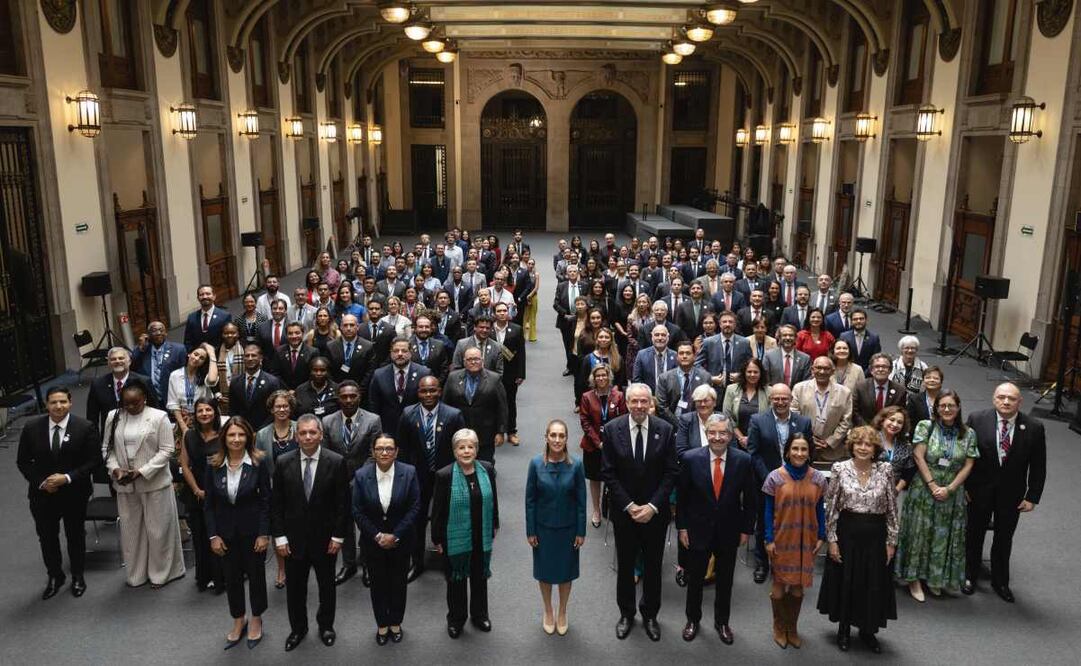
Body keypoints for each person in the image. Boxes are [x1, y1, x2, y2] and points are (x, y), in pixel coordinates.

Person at [601, 383, 679, 642]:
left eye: (644, 402)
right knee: (625, 566)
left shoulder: (665, 430)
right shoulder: (613, 430)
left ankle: (650, 614)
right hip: (625, 513)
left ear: (650, 403)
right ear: (626, 402)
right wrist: (630, 505)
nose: (639, 406)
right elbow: (608, 473)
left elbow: (670, 473)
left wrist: (653, 506)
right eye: (634, 401)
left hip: (654, 514)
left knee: (653, 566)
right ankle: (626, 613)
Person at [272, 414, 350, 651]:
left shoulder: (336, 462)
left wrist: (338, 537)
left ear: (321, 435)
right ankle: (298, 629)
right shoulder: (283, 462)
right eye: (303, 433)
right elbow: (277, 504)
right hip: (293, 541)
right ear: (296, 436)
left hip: (326, 540)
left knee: (327, 587)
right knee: (295, 589)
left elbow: (343, 504)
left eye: (312, 432)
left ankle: (326, 626)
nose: (307, 437)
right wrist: (280, 537)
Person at [818, 426, 899, 653]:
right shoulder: (840, 468)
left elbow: (892, 507)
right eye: (859, 443)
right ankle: (843, 629)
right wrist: (831, 540)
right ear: (852, 446)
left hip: (876, 535)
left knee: (873, 582)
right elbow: (831, 507)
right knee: (847, 581)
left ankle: (868, 630)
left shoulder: (886, 470)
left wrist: (891, 541)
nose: (863, 448)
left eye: (868, 444)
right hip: (847, 534)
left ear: (875, 448)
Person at [676, 414, 756, 644]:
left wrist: (746, 530)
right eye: (713, 432)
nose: (718, 437)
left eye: (723, 433)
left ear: (730, 435)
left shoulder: (743, 461)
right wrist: (682, 528)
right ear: (706, 434)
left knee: (725, 580)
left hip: (729, 531)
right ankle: (692, 620)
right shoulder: (691, 459)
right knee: (695, 579)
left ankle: (722, 622)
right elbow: (682, 499)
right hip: (697, 529)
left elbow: (750, 499)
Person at [963, 382, 1047, 602]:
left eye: (1012, 398)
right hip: (978, 491)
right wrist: (963, 487)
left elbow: (1039, 466)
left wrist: (1032, 497)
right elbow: (964, 458)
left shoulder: (1034, 427)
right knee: (974, 534)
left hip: (1012, 495)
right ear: (994, 399)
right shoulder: (976, 420)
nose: (1006, 401)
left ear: (1020, 402)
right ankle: (968, 575)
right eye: (1001, 397)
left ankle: (1000, 581)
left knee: (1004, 538)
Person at [16, 386, 102, 600]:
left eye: (63, 401)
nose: (58, 406)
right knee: (47, 537)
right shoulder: (31, 427)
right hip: (43, 495)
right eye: (53, 402)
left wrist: (67, 478)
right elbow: (23, 462)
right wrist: (42, 483)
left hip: (74, 493)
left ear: (70, 403)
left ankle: (77, 576)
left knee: (75, 536)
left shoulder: (85, 427)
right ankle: (55, 575)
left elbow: (94, 461)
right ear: (46, 404)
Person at [894, 389, 978, 601]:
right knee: (919, 533)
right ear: (936, 408)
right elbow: (919, 456)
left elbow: (968, 464)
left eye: (951, 405)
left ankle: (935, 578)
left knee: (942, 535)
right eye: (943, 406)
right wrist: (932, 485)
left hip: (952, 491)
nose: (947, 409)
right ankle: (914, 580)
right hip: (924, 489)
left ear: (958, 408)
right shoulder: (926, 426)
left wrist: (949, 488)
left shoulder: (968, 433)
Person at [102, 380, 185, 588]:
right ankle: (136, 574)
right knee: (131, 532)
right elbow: (107, 448)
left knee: (158, 531)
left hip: (154, 482)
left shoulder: (159, 417)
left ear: (144, 399)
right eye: (126, 403)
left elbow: (167, 450)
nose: (130, 407)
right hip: (125, 484)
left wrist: (142, 471)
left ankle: (162, 574)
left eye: (135, 403)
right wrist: (115, 469)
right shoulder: (113, 416)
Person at [204, 416, 271, 650]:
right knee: (231, 579)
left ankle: (256, 618)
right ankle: (238, 618)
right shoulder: (213, 464)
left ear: (249, 437)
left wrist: (264, 533)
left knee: (256, 577)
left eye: (241, 434)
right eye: (231, 434)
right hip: (225, 535)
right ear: (224, 437)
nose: (236, 439)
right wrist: (213, 535)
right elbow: (209, 505)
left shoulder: (259, 462)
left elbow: (266, 502)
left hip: (253, 534)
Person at [352, 435, 421, 645]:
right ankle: (382, 624)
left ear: (396, 451)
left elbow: (415, 507)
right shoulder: (362, 475)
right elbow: (357, 510)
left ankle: (395, 623)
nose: (384, 453)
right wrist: (378, 535)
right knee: (378, 584)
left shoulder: (409, 472)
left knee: (398, 583)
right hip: (373, 542)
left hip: (401, 541)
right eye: (380, 449)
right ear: (372, 452)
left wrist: (396, 534)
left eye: (389, 448)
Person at [431, 429, 500, 638]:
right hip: (455, 539)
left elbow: (493, 499)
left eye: (471, 447)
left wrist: (495, 522)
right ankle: (456, 619)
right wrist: (437, 538)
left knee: (480, 577)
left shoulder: (487, 469)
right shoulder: (444, 475)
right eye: (462, 447)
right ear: (454, 451)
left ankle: (479, 615)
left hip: (481, 534)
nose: (467, 451)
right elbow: (438, 510)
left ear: (477, 449)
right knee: (456, 580)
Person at [396, 376, 467, 580]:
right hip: (416, 477)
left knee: (446, 519)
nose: (428, 395)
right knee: (416, 521)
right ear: (418, 393)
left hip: (446, 476)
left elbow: (461, 448)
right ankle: (416, 562)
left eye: (432, 390)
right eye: (424, 391)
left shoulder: (454, 415)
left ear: (440, 391)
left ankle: (448, 562)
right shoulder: (408, 414)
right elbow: (402, 449)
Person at [762, 433, 827, 649]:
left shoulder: (818, 478)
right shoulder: (775, 477)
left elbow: (820, 508)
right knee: (780, 584)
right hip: (782, 538)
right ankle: (778, 626)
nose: (799, 453)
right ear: (788, 451)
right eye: (795, 449)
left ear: (809, 453)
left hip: (807, 539)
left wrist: (821, 535)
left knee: (799, 587)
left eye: (804, 449)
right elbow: (768, 510)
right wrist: (769, 538)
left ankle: (792, 627)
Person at [746, 384, 814, 584]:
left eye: (785, 398)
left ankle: (790, 562)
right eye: (776, 398)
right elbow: (753, 452)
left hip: (796, 482)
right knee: (764, 522)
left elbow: (808, 453)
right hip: (766, 481)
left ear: (791, 399)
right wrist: (770, 479)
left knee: (793, 522)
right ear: (770, 399)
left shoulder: (803, 422)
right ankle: (761, 564)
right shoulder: (758, 420)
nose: (781, 402)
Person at [525, 420, 587, 636]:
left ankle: (562, 611)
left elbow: (581, 501)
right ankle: (548, 610)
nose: (557, 440)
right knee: (544, 572)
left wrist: (581, 531)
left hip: (568, 529)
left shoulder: (576, 465)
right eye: (553, 435)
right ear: (546, 437)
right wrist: (530, 530)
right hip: (543, 529)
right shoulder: (535, 464)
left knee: (565, 572)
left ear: (567, 439)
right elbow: (530, 500)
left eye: (561, 436)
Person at [322, 381, 383, 585]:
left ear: (359, 396)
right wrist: (339, 480)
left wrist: (356, 479)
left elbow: (374, 454)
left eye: (352, 396)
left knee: (366, 524)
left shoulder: (373, 420)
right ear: (338, 398)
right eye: (344, 397)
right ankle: (348, 564)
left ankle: (367, 564)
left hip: (365, 481)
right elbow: (326, 455)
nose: (348, 400)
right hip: (337, 483)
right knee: (344, 524)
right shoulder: (328, 422)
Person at [178, 398, 226, 593]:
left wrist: (212, 491)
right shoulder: (189, 435)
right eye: (200, 411)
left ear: (215, 412)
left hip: (220, 493)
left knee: (219, 534)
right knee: (199, 535)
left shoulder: (224, 435)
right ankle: (204, 576)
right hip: (195, 493)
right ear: (195, 415)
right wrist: (196, 489)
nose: (204, 413)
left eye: (208, 410)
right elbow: (184, 465)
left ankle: (221, 577)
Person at [578, 365, 627, 527]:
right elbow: (585, 422)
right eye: (597, 376)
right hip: (593, 445)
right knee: (595, 478)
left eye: (603, 375)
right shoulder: (587, 397)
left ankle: (612, 508)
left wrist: (611, 442)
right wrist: (598, 443)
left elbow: (623, 420)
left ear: (609, 377)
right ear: (593, 378)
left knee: (614, 477)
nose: (601, 378)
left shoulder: (619, 395)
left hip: (614, 445)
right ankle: (596, 510)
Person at [443, 348, 508, 462]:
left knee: (485, 465)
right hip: (459, 430)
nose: (473, 362)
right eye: (469, 359)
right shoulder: (453, 377)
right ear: (464, 362)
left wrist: (501, 431)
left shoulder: (494, 379)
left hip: (485, 432)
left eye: (476, 359)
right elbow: (445, 404)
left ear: (482, 360)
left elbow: (502, 407)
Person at [791, 356, 853, 467]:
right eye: (818, 368)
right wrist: (809, 437)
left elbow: (846, 420)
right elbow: (794, 416)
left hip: (833, 451)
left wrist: (830, 441)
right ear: (812, 370)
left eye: (826, 368)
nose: (822, 371)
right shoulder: (799, 389)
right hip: (805, 448)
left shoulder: (844, 392)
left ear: (832, 371)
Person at [368, 337, 433, 433]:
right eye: (396, 351)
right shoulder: (379, 375)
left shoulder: (423, 373)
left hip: (416, 428)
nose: (400, 354)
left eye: (404, 351)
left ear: (410, 353)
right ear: (390, 353)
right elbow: (374, 405)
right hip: (388, 429)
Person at [85, 346, 154, 433]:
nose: (117, 361)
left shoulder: (143, 381)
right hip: (111, 434)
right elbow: (92, 417)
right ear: (109, 363)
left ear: (129, 362)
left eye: (121, 358)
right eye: (113, 359)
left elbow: (154, 408)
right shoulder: (98, 384)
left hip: (140, 431)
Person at [492, 302, 526, 444]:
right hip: (491, 373)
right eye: (499, 311)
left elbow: (521, 353)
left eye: (504, 310)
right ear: (494, 313)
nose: (502, 313)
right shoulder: (488, 329)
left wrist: (521, 374)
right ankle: (497, 432)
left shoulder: (517, 329)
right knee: (493, 402)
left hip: (510, 373)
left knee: (510, 402)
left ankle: (511, 432)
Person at [166, 344, 219, 435]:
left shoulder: (204, 375)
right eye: (196, 354)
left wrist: (212, 354)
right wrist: (184, 427)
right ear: (189, 354)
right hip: (184, 420)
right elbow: (174, 404)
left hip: (204, 418)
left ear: (204, 362)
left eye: (202, 358)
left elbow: (212, 380)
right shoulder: (175, 375)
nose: (197, 358)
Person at [132, 321, 187, 408]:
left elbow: (185, 373)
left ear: (166, 333)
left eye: (161, 330)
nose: (158, 333)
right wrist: (141, 348)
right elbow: (132, 368)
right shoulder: (141, 351)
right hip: (150, 397)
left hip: (171, 396)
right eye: (154, 330)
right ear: (148, 334)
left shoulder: (178, 349)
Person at [227, 344, 283, 428]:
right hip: (241, 429)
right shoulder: (235, 382)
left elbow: (274, 410)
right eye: (247, 356)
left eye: (253, 355)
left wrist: (261, 431)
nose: (250, 358)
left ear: (260, 358)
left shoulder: (272, 382)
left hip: (264, 430)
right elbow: (232, 410)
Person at [656, 341, 712, 426]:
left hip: (696, 424)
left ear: (694, 356)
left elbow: (707, 405)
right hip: (671, 424)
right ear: (677, 357)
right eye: (681, 353)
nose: (684, 356)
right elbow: (662, 407)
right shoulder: (664, 378)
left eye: (688, 353)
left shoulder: (705, 377)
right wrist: (679, 424)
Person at [722, 357, 770, 450]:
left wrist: (751, 439)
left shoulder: (769, 391)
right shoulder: (731, 389)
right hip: (735, 442)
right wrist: (741, 438)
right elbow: (727, 416)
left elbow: (769, 418)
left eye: (756, 372)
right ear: (744, 372)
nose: (752, 375)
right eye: (749, 371)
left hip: (761, 441)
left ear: (761, 373)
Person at [696, 311, 752, 390]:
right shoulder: (708, 342)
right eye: (724, 322)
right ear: (719, 324)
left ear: (735, 324)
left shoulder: (744, 343)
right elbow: (697, 365)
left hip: (737, 388)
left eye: (730, 322)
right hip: (714, 388)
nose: (727, 324)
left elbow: (751, 364)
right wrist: (710, 378)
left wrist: (741, 375)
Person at [852, 353, 907, 426]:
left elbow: (900, 414)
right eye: (877, 366)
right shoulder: (860, 387)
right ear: (871, 370)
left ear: (890, 370)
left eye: (884, 367)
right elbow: (855, 412)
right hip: (864, 431)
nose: (880, 369)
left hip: (889, 431)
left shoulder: (900, 391)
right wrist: (868, 430)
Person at [873, 406, 916, 491]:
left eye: (900, 422)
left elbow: (908, 471)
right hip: (870, 488)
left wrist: (897, 489)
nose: (895, 424)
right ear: (882, 420)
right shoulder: (871, 439)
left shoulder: (906, 446)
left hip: (894, 491)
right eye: (892, 420)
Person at [632, 324, 677, 394]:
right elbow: (637, 380)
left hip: (670, 399)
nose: (660, 338)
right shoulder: (641, 355)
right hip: (648, 398)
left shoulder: (675, 356)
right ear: (652, 337)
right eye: (657, 335)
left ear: (668, 338)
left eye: (663, 335)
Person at [184, 284, 232, 350]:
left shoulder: (224, 316)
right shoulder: (192, 317)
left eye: (208, 294)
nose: (205, 297)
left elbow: (228, 339)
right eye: (201, 294)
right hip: (198, 357)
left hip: (218, 356)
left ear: (214, 296)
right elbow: (187, 341)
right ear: (198, 298)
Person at [270, 322, 316, 390]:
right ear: (286, 335)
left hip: (305, 392)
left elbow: (313, 376)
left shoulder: (313, 352)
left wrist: (298, 390)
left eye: (297, 333)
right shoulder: (279, 351)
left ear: (303, 334)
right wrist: (288, 390)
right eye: (290, 333)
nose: (294, 336)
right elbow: (275, 374)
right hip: (283, 392)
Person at [839, 309, 881, 375]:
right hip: (846, 374)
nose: (858, 321)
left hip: (867, 375)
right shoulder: (844, 336)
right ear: (851, 321)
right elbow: (841, 356)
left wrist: (864, 374)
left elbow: (876, 359)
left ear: (866, 320)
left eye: (861, 319)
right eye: (855, 319)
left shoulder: (874, 338)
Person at [522, 257, 541, 342]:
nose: (530, 265)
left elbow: (536, 287)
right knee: (524, 317)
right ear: (527, 264)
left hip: (533, 296)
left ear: (534, 265)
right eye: (529, 263)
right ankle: (522, 336)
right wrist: (525, 296)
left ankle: (532, 336)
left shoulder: (536, 274)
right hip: (524, 297)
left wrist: (530, 295)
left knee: (533, 317)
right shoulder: (523, 273)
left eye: (532, 264)